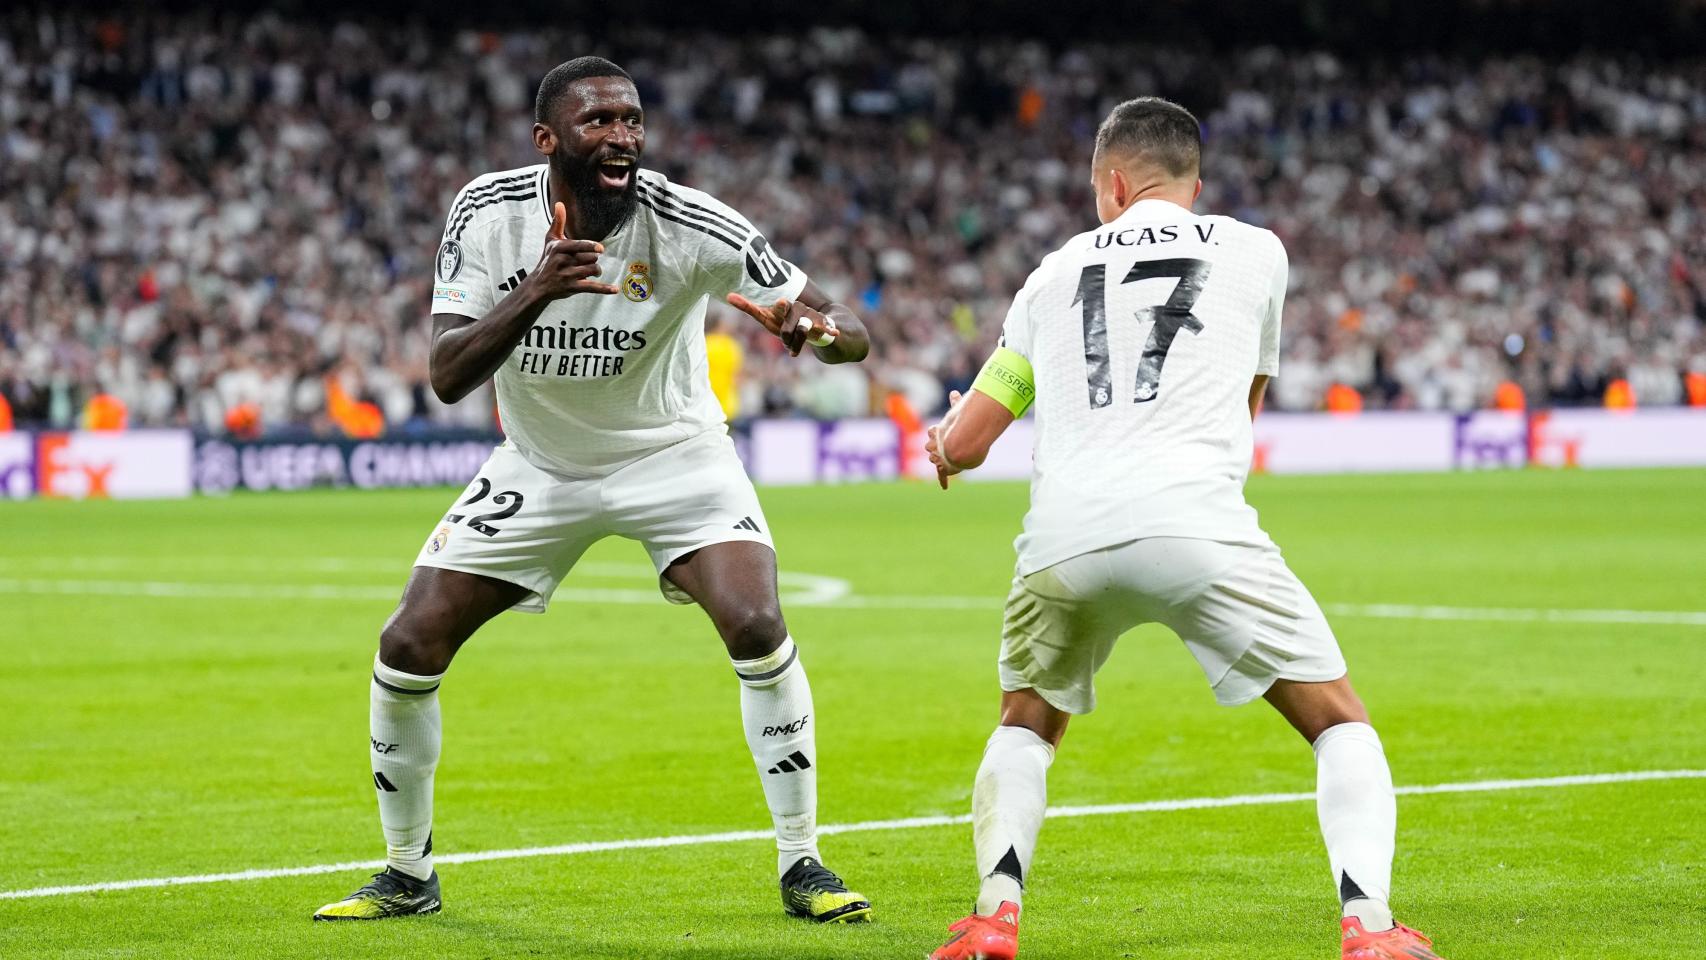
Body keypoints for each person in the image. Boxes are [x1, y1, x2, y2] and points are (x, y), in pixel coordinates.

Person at [313, 56, 874, 925]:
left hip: (675, 457)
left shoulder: (692, 223)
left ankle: (803, 861)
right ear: (548, 140)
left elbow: (852, 333)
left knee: (758, 623)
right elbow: (447, 375)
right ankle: (406, 873)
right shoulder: (487, 215)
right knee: (407, 646)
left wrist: (819, 332)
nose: (622, 138)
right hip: (539, 462)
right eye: (600, 123)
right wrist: (538, 288)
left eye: (632, 121)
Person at [922, 98, 1444, 960]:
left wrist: (943, 439)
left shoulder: (1051, 276)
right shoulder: (1257, 251)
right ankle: (1371, 927)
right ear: (1194, 185)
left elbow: (971, 441)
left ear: (1113, 185)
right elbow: (1244, 405)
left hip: (1065, 536)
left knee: (1025, 722)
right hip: (1199, 524)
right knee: (1339, 723)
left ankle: (994, 917)